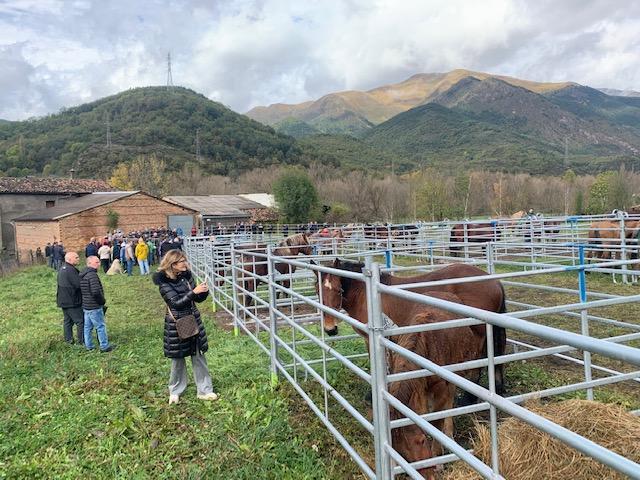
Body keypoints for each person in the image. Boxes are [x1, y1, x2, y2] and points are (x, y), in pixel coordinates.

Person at [152, 250, 218, 404]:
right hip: (176, 324)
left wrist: (203, 292)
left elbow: (197, 299)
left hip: (193, 320)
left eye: (184, 260)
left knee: (198, 356)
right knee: (178, 359)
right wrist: (193, 293)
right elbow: (175, 303)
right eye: (181, 261)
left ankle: (205, 390)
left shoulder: (186, 277)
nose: (185, 263)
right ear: (172, 264)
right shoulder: (163, 283)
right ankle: (175, 391)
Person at [80, 256, 115, 352]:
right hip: (94, 306)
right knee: (100, 326)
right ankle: (104, 346)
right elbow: (95, 292)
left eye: (99, 262)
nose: (99, 264)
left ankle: (89, 346)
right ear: (89, 263)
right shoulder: (92, 275)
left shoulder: (83, 274)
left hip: (86, 306)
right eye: (96, 262)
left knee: (87, 327)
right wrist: (102, 301)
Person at [56, 251, 84, 345]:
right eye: (76, 257)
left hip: (63, 299)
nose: (78, 259)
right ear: (69, 259)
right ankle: (82, 341)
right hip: (72, 300)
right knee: (80, 321)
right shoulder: (71, 270)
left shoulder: (62, 268)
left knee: (68, 321)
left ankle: (68, 340)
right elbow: (78, 284)